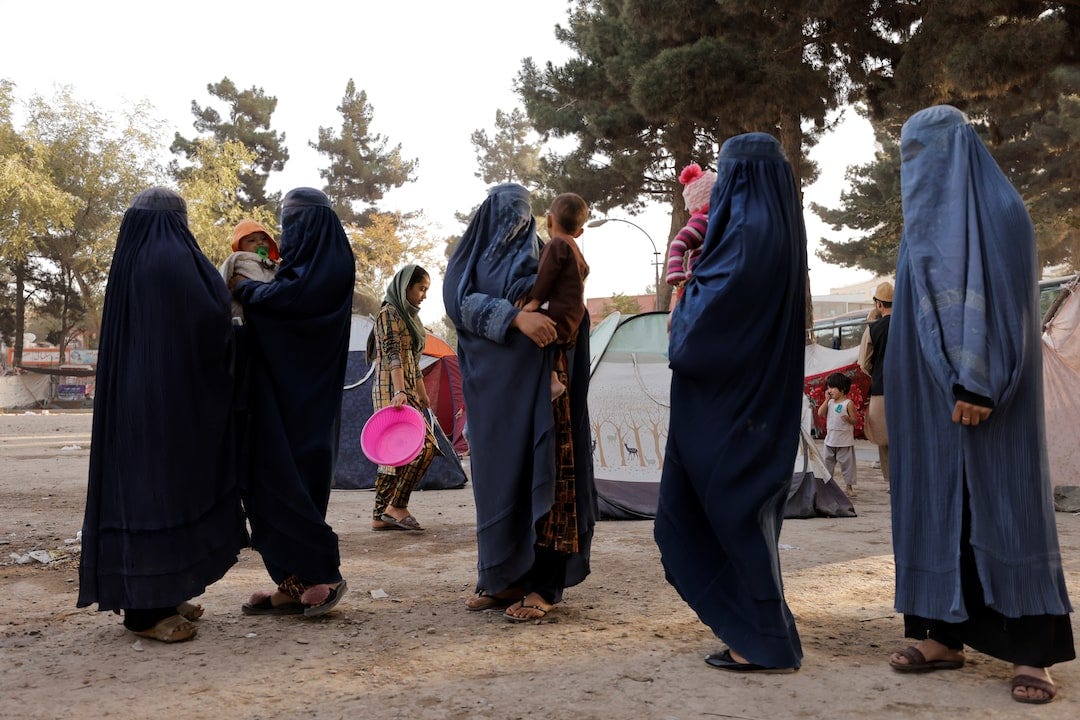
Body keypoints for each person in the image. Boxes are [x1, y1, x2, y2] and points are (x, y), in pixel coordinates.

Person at [885, 105, 1074, 704]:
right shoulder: (917, 229)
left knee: (1005, 506)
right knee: (939, 507)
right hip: (925, 399)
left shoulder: (1002, 213)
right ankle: (942, 635)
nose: (917, 169)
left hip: (990, 393)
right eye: (908, 159)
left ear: (959, 151)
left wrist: (977, 380)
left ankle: (1032, 654)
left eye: (926, 155)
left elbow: (1012, 310)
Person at [655, 133, 807, 673]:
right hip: (761, 404)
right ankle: (765, 634)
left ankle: (761, 642)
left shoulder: (743, 233)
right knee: (749, 515)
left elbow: (697, 338)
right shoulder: (782, 229)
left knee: (727, 515)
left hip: (724, 408)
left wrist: (681, 308)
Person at [77, 187, 248, 642]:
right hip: (168, 407)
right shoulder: (173, 262)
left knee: (149, 492)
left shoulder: (130, 263)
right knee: (163, 493)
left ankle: (164, 593)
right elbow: (212, 318)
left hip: (138, 406)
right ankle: (144, 613)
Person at [444, 183, 598, 623]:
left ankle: (544, 586)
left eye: (522, 213)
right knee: (499, 483)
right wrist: (515, 317)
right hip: (492, 396)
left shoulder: (547, 252)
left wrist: (542, 320)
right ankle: (505, 578)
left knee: (549, 478)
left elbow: (571, 304)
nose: (514, 222)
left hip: (546, 392)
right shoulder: (468, 260)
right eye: (504, 214)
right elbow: (459, 303)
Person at [231, 187, 355, 617]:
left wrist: (244, 287)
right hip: (274, 395)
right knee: (264, 482)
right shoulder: (294, 266)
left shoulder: (331, 264)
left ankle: (324, 573)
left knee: (295, 480)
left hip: (308, 400)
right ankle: (291, 581)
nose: (288, 232)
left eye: (294, 222)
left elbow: (288, 301)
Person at [368, 264, 439, 531]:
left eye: (426, 290)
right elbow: (393, 354)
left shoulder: (409, 317)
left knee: (395, 454)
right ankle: (396, 506)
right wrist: (399, 391)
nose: (424, 295)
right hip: (391, 390)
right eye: (421, 288)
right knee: (422, 447)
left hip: (406, 389)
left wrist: (422, 395)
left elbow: (412, 360)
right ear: (405, 287)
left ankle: (379, 515)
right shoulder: (389, 314)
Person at [518, 192, 590, 400]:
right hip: (573, 315)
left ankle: (549, 380)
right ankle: (555, 379)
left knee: (533, 329)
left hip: (557, 311)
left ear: (549, 220)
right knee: (554, 345)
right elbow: (584, 271)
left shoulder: (556, 245)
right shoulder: (576, 250)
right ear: (580, 232)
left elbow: (546, 275)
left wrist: (535, 302)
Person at [857, 281, 892, 484]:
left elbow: (864, 363)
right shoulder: (911, 325)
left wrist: (876, 372)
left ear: (879, 304)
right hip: (909, 390)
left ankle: (891, 480)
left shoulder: (873, 329)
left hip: (881, 389)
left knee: (883, 438)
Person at [665, 162, 716, 299]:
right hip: (700, 281)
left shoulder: (718, 220)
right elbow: (678, 244)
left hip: (710, 279)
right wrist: (675, 271)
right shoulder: (702, 222)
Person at [220, 219, 280, 323]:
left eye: (264, 239)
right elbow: (224, 275)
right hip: (244, 314)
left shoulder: (271, 263)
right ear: (240, 245)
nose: (260, 242)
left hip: (266, 307)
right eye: (251, 240)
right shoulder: (240, 259)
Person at [817, 372, 858, 498]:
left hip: (844, 441)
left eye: (833, 387)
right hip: (830, 440)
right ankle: (826, 485)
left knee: (847, 465)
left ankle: (849, 486)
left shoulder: (848, 403)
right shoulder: (830, 403)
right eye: (829, 387)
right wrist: (826, 399)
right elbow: (820, 413)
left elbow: (855, 420)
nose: (830, 390)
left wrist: (848, 419)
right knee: (827, 464)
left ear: (842, 389)